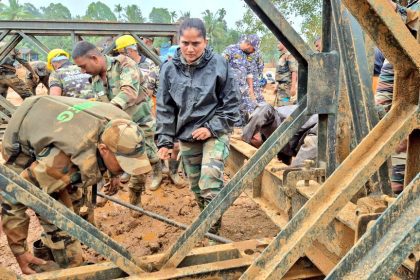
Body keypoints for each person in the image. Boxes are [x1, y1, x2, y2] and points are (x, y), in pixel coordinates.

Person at [1, 96, 151, 274]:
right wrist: (19, 251)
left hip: (48, 120)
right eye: (122, 162)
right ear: (103, 150)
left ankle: (48, 252)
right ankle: (64, 266)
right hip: (22, 142)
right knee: (61, 220)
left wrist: (114, 171)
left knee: (76, 202)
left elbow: (112, 154)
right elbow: (13, 195)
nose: (126, 169)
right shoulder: (60, 164)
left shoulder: (122, 125)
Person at [156, 18, 240, 234]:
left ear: (205, 41)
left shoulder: (219, 64)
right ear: (179, 41)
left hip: (215, 132)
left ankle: (214, 233)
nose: (190, 49)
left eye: (196, 44)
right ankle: (208, 223)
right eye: (185, 43)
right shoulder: (168, 69)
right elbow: (166, 108)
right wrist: (165, 141)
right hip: (187, 134)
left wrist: (211, 128)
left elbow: (231, 104)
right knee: (196, 187)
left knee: (210, 184)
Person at [72, 41, 161, 210]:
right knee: (102, 153)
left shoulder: (124, 64)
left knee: (143, 163)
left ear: (94, 58)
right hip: (115, 127)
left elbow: (129, 92)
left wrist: (107, 110)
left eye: (83, 66)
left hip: (139, 125)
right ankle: (110, 183)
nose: (82, 71)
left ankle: (135, 196)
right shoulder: (95, 79)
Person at [242, 104, 318, 167]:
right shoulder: (273, 135)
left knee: (294, 174)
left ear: (254, 137)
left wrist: (246, 137)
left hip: (317, 126)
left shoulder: (273, 119)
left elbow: (265, 108)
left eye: (254, 145)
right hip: (302, 132)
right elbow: (285, 147)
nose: (257, 148)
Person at [223, 34, 264, 125]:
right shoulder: (231, 50)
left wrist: (251, 90)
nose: (253, 51)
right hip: (230, 89)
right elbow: (221, 66)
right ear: (249, 45)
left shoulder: (247, 54)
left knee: (246, 110)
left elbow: (249, 73)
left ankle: (243, 128)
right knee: (231, 110)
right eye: (253, 49)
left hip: (243, 89)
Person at [275, 42, 298, 106]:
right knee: (281, 104)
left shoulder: (289, 55)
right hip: (281, 86)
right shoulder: (282, 56)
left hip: (286, 86)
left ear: (284, 44)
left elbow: (294, 71)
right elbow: (280, 72)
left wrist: (293, 87)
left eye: (279, 43)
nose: (277, 45)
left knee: (284, 104)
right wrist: (277, 84)